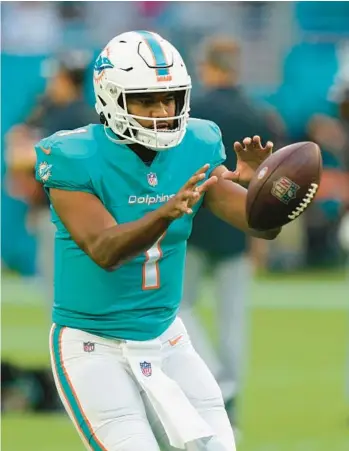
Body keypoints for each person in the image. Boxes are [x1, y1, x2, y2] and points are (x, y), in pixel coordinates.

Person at [35, 31, 280, 451]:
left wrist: (268, 190)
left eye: (170, 99)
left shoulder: (196, 143)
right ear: (112, 98)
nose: (163, 111)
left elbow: (261, 226)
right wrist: (162, 213)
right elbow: (104, 249)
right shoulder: (74, 156)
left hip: (167, 338)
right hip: (95, 344)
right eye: (147, 100)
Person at [180, 37, 282, 423]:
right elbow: (271, 180)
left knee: (178, 309)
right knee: (233, 321)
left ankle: (218, 383)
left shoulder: (197, 111)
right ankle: (230, 402)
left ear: (208, 65)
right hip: (240, 228)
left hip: (196, 223)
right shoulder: (257, 113)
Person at [5, 51, 95, 301]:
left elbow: (27, 155)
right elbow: (16, 142)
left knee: (63, 293)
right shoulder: (49, 109)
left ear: (65, 78)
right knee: (56, 288)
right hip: (50, 209)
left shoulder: (75, 116)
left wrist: (23, 154)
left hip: (66, 214)